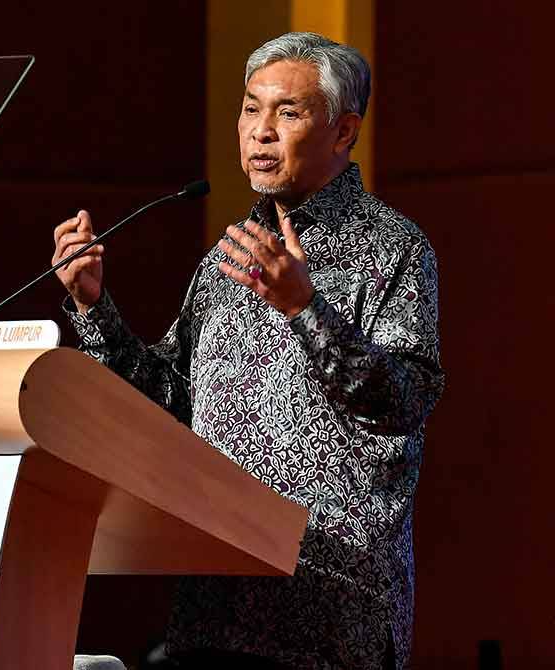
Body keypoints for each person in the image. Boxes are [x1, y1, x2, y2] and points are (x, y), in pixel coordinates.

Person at [52, 32, 443, 670]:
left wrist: (305, 310)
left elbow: (403, 400)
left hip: (326, 613)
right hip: (213, 604)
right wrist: (95, 308)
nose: (261, 131)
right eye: (250, 108)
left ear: (344, 131)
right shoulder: (227, 257)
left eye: (287, 112)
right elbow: (168, 403)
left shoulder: (393, 248)